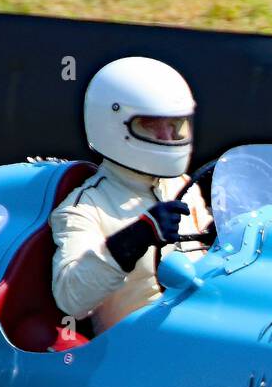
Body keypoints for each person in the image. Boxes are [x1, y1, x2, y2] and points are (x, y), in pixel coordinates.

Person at [50, 56, 212, 334]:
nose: (167, 135)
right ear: (113, 124)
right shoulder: (84, 207)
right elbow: (71, 299)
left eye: (175, 124)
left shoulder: (184, 185)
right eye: (150, 125)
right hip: (136, 349)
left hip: (204, 327)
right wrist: (136, 237)